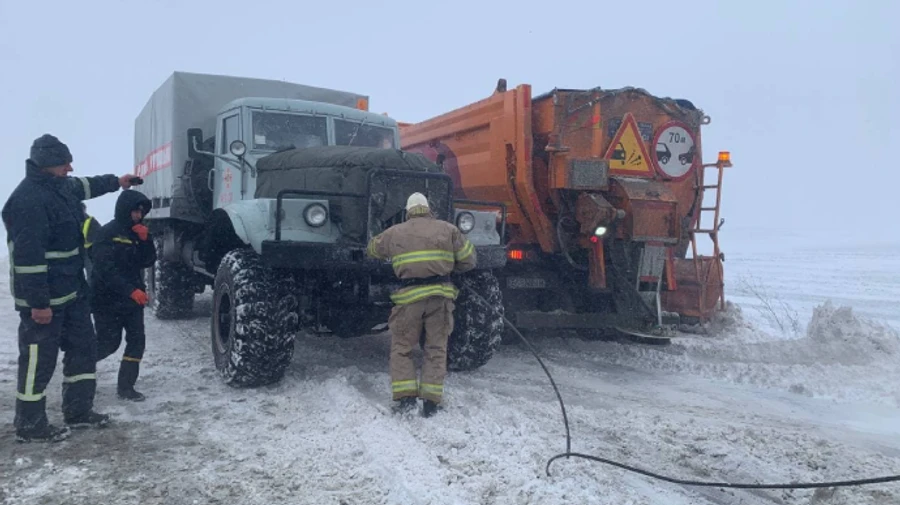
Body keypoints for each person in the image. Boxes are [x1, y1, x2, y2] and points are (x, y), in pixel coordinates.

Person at [2, 133, 137, 442]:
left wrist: (119, 181)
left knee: (83, 350)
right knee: (39, 359)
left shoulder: (62, 187)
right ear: (49, 165)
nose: (71, 167)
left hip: (73, 293)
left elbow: (86, 185)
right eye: (65, 162)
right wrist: (38, 304)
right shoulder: (27, 201)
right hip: (44, 301)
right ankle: (30, 424)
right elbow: (28, 260)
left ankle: (78, 412)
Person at [366, 192, 476, 417]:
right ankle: (431, 402)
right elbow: (469, 260)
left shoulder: (395, 232)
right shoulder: (448, 230)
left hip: (409, 299)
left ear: (408, 211)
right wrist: (449, 267)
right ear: (428, 209)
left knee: (402, 348)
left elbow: (372, 250)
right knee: (436, 348)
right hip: (440, 297)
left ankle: (406, 398)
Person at [91, 190, 155, 401]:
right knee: (109, 343)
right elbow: (104, 270)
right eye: (135, 211)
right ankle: (78, 368)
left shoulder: (139, 234)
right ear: (124, 210)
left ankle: (126, 387)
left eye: (141, 211)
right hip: (107, 300)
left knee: (137, 341)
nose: (138, 215)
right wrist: (130, 290)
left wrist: (146, 240)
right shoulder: (106, 233)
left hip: (132, 301)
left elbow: (147, 261)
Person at [81, 202, 102, 282]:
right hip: (81, 251)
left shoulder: (90, 221)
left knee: (91, 273)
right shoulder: (75, 220)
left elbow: (99, 235)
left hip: (89, 251)